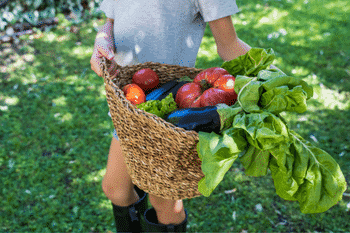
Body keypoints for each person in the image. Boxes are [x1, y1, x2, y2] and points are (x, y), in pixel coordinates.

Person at [90, 0, 278, 232]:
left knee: (164, 203)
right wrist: (103, 38)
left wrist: (274, 79)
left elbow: (229, 45)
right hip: (127, 102)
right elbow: (111, 20)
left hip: (165, 110)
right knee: (115, 189)